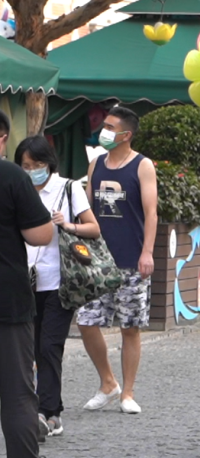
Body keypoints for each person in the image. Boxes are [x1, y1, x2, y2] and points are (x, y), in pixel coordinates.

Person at [17, 136, 101, 439]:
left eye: (37, 164)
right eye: (25, 165)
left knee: (49, 346)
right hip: (25, 282)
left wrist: (67, 225)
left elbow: (94, 228)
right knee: (31, 349)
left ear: (49, 163)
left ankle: (48, 413)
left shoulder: (68, 188)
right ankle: (44, 409)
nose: (32, 171)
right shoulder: (18, 188)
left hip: (59, 281)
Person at [78, 106, 158, 415]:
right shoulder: (96, 164)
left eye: (111, 127)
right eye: (104, 126)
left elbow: (151, 212)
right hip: (98, 261)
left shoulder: (142, 165)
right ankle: (107, 382)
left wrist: (147, 252)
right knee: (86, 321)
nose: (104, 131)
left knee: (130, 326)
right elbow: (86, 207)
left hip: (131, 258)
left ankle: (128, 392)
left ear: (126, 134)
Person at [0, 112, 55, 458]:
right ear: (2, 137)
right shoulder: (11, 176)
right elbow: (40, 234)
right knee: (17, 395)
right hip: (8, 301)